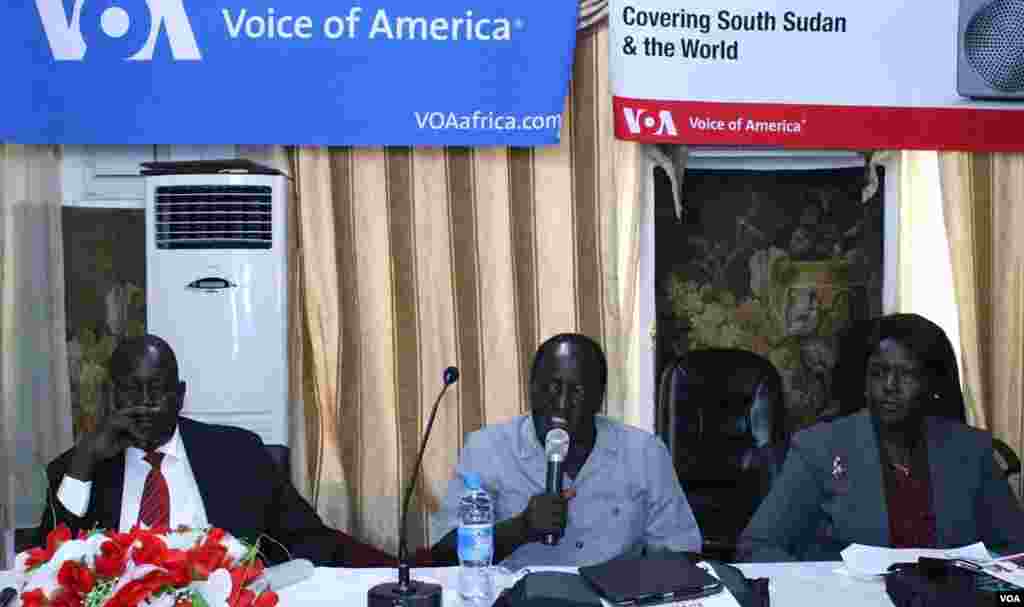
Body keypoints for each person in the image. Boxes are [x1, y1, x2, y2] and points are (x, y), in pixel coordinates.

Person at [39, 334, 392, 567]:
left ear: (179, 396)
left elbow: (307, 540)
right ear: (111, 397)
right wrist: (84, 461)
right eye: (131, 391)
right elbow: (50, 565)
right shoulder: (77, 468)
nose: (144, 404)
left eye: (157, 391)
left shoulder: (237, 454)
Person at [738, 314, 1024, 561]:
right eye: (878, 373)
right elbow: (758, 547)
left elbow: (1015, 549)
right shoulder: (819, 448)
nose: (889, 386)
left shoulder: (971, 450)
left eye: (907, 374)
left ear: (931, 384)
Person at [431, 333, 701, 569]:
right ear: (532, 389)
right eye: (552, 386)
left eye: (578, 391)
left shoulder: (645, 454)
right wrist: (521, 528)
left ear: (599, 398)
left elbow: (682, 552)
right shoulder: (486, 448)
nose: (561, 403)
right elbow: (443, 556)